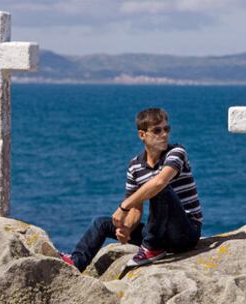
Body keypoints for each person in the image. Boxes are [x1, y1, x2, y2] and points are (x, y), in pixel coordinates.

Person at [58, 108, 203, 272]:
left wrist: (123, 206)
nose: (164, 134)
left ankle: (151, 248)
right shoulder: (135, 166)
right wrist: (126, 228)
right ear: (142, 135)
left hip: (185, 233)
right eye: (157, 130)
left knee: (159, 187)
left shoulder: (177, 152)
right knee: (101, 224)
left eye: (166, 129)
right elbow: (136, 210)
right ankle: (76, 262)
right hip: (160, 235)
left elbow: (159, 182)